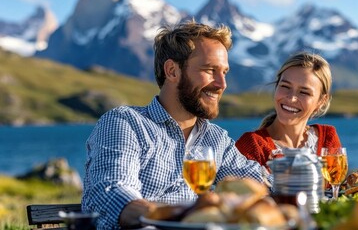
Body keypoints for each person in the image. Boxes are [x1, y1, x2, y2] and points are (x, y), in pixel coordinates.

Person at [81, 20, 271, 229]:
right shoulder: (126, 123)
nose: (221, 84)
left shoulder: (216, 139)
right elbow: (113, 191)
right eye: (210, 70)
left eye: (224, 72)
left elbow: (258, 185)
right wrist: (184, 214)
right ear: (172, 71)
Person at [236, 52, 341, 171]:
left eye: (304, 92)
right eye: (285, 86)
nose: (291, 98)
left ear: (321, 101)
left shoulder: (328, 139)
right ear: (276, 86)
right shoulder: (251, 145)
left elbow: (337, 188)